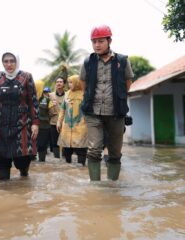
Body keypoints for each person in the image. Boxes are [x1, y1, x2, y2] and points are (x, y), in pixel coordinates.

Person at [80, 25, 134, 181]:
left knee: (115, 153)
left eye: (101, 41)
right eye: (94, 42)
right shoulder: (88, 61)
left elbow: (127, 82)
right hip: (93, 112)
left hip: (116, 113)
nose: (97, 45)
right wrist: (90, 98)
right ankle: (95, 187)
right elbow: (83, 83)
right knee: (94, 150)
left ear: (109, 41)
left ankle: (112, 186)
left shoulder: (122, 60)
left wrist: (118, 97)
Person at [0, 52, 39, 180]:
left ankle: (24, 173)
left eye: (12, 61)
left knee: (23, 161)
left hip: (22, 125)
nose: (9, 64)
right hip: (0, 126)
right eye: (6, 61)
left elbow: (33, 101)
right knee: (2, 170)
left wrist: (35, 123)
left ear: (17, 61)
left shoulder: (26, 77)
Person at [56, 75, 88, 166]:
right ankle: (68, 169)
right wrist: (59, 121)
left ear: (77, 83)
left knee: (81, 149)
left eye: (71, 82)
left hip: (81, 126)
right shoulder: (67, 94)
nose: (69, 85)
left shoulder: (85, 94)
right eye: (69, 82)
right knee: (67, 149)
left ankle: (81, 169)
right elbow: (62, 109)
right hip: (66, 127)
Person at [48, 74, 67, 158]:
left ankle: (65, 159)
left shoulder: (67, 95)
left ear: (64, 84)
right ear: (55, 84)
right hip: (53, 122)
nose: (59, 83)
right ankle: (56, 160)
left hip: (65, 122)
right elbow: (46, 109)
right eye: (57, 82)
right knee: (55, 142)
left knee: (65, 141)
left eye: (61, 82)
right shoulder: (50, 95)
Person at [36, 86, 51, 162]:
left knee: (41, 145)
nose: (46, 93)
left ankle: (41, 161)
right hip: (38, 125)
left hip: (43, 125)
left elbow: (45, 112)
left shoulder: (45, 100)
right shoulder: (32, 99)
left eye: (47, 92)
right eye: (44, 92)